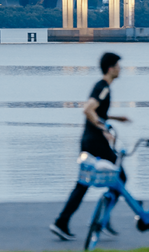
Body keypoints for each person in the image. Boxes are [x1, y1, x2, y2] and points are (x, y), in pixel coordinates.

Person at [50, 52, 131, 241]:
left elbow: (97, 111)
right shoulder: (103, 88)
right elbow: (88, 109)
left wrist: (114, 118)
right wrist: (104, 128)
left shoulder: (102, 87)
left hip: (88, 141)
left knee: (83, 183)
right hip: (95, 142)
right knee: (121, 176)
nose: (121, 69)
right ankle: (102, 220)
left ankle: (61, 222)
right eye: (118, 66)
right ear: (111, 69)